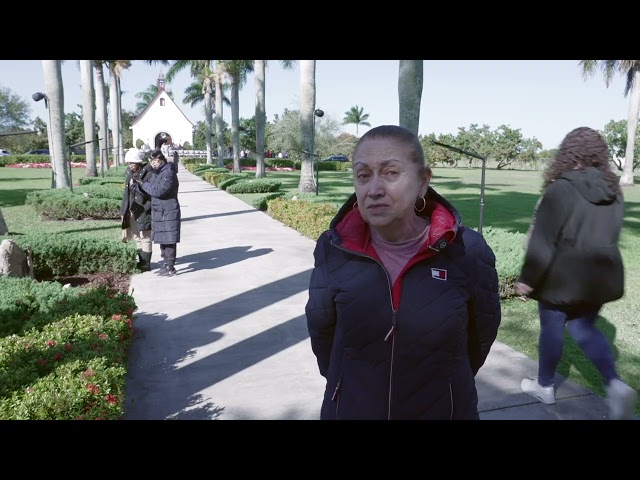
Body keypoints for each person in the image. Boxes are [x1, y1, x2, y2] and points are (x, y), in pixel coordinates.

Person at [305, 125, 501, 420]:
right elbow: (324, 338)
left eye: (391, 173)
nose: (374, 189)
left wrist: (445, 387)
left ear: (423, 182)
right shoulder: (334, 249)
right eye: (363, 175)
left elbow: (479, 337)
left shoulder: (467, 251)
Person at [516, 126, 637, 420]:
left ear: (568, 153)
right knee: (584, 328)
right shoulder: (614, 190)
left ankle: (544, 386)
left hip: (562, 278)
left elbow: (543, 242)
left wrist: (527, 280)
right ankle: (615, 384)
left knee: (553, 327)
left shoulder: (560, 188)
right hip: (600, 277)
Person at [134, 148, 181, 277]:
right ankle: (166, 265)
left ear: (161, 159)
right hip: (159, 210)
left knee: (169, 239)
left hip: (168, 210)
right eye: (151, 161)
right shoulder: (157, 172)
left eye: (155, 160)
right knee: (162, 238)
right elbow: (151, 188)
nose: (153, 163)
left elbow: (159, 191)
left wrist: (143, 184)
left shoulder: (169, 173)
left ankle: (171, 267)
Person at [120, 147, 153, 272]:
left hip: (144, 210)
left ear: (138, 162)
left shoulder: (148, 173)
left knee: (145, 236)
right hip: (132, 210)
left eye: (132, 163)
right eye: (128, 163)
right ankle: (141, 261)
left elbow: (151, 193)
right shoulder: (128, 172)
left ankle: (146, 264)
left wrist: (146, 208)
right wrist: (123, 211)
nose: (130, 166)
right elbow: (126, 193)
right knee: (136, 237)